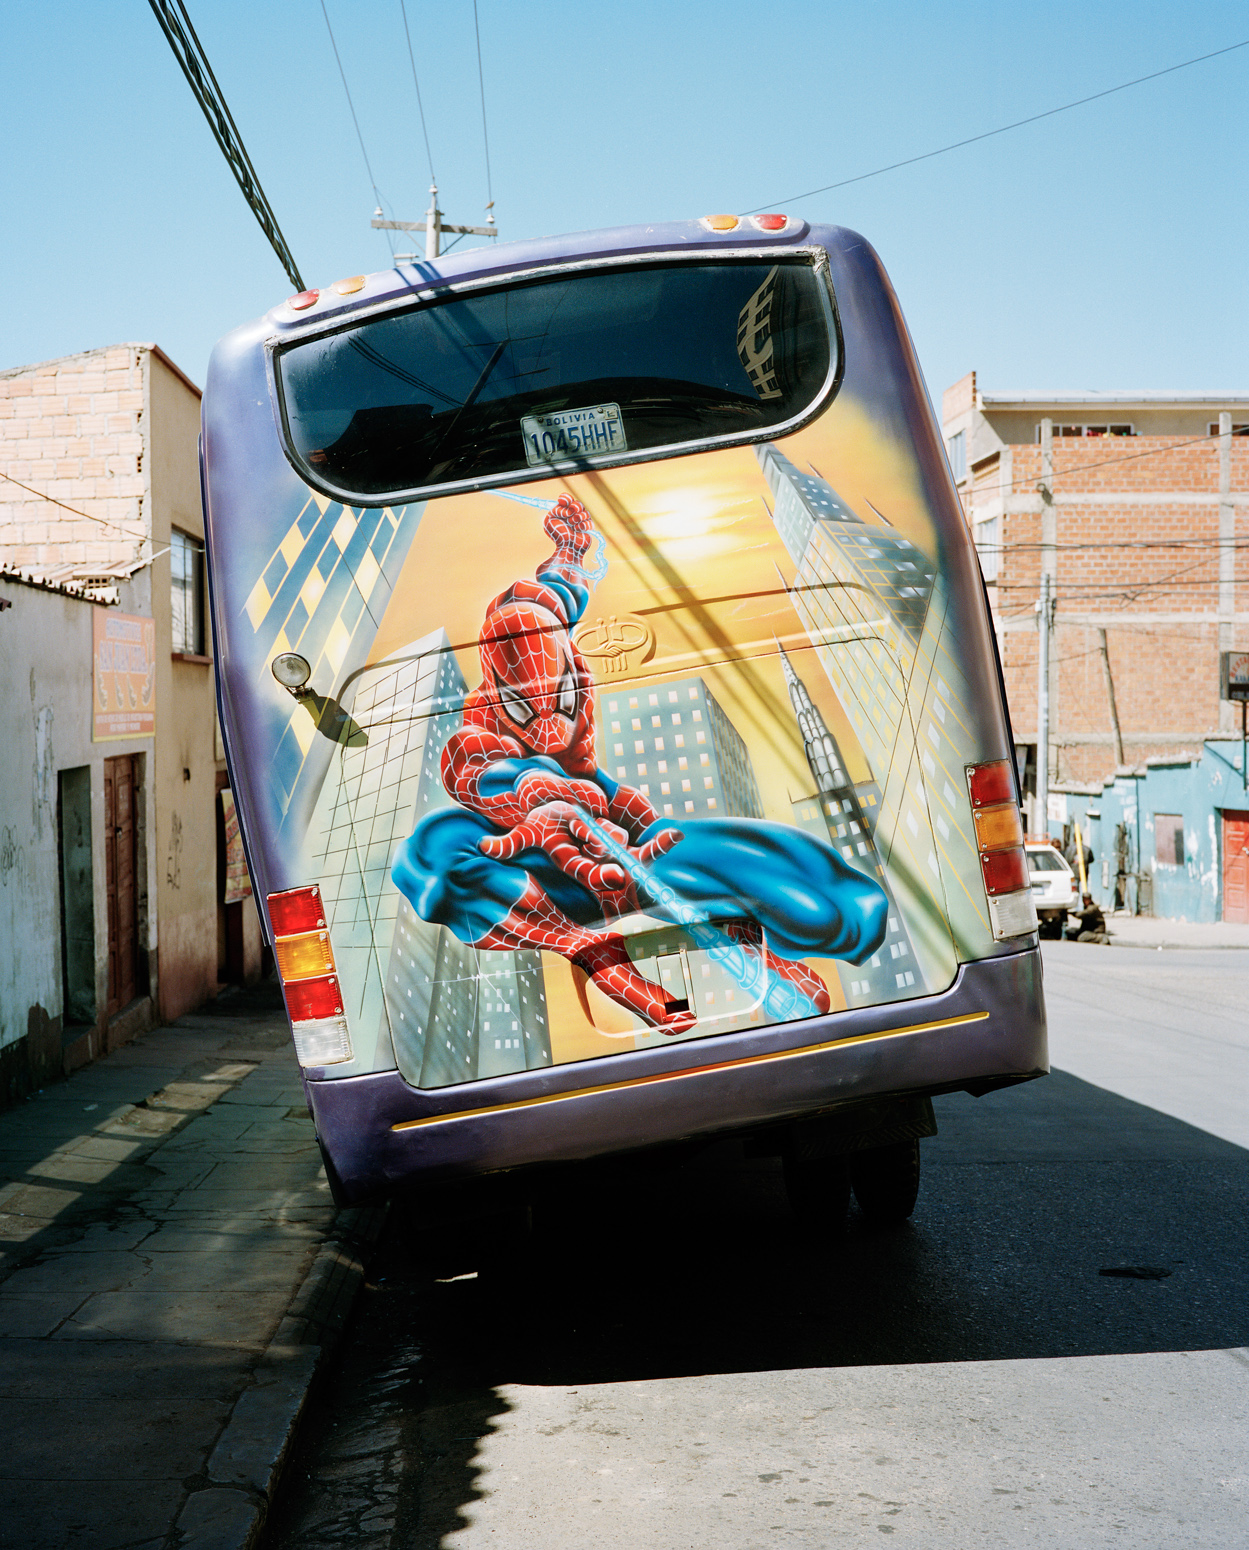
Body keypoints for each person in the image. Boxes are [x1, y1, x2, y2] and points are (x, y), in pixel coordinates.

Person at [392, 494, 889, 1035]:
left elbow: (562, 592)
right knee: (433, 848)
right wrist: (533, 795)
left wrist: (572, 547)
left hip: (625, 858)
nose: (551, 729)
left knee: (765, 866)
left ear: (571, 674)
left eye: (558, 702)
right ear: (496, 693)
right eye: (522, 710)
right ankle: (590, 952)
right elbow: (475, 769)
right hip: (530, 878)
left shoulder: (559, 643)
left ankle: (764, 953)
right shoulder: (476, 732)